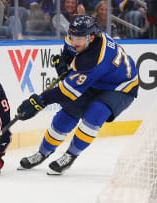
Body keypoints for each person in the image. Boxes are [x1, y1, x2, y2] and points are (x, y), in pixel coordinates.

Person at [17, 15, 139, 175]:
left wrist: (39, 101)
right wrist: (63, 63)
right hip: (96, 79)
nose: (75, 41)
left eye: (79, 38)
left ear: (91, 37)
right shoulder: (78, 40)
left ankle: (70, 155)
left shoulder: (94, 58)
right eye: (73, 36)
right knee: (68, 113)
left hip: (120, 86)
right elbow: (68, 52)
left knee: (96, 112)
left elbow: (66, 93)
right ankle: (42, 152)